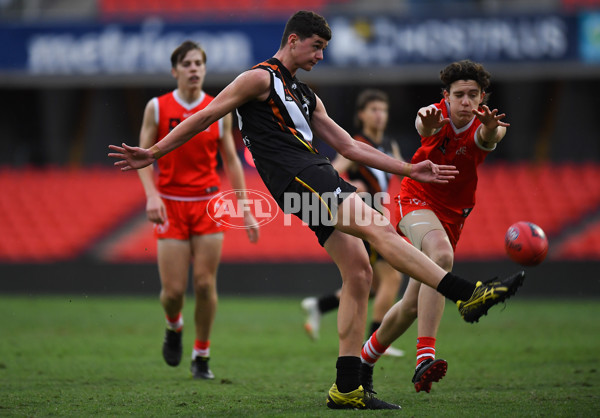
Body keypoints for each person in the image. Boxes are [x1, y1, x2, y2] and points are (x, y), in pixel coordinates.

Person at [109, 11, 525, 410]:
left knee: (360, 271)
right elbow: (206, 115)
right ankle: (467, 294)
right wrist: (156, 151)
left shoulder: (306, 95)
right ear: (293, 40)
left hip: (307, 180)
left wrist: (407, 167)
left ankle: (347, 389)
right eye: (317, 46)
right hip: (302, 175)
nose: (321, 55)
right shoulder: (258, 78)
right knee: (379, 228)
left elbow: (350, 147)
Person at [360, 60, 511, 394]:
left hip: (453, 216)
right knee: (441, 256)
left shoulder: (489, 124)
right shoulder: (434, 112)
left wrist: (488, 128)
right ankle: (424, 358)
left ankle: (363, 362)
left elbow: (489, 138)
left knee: (410, 307)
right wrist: (427, 126)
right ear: (446, 95)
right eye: (459, 95)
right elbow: (424, 125)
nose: (466, 102)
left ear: (483, 96)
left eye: (474, 94)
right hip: (414, 200)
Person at [136, 40, 259, 380]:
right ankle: (173, 325)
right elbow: (144, 156)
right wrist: (152, 195)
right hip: (171, 204)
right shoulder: (157, 108)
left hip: (207, 204)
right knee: (173, 292)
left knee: (205, 285)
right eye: (187, 64)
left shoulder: (219, 109)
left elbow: (231, 160)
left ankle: (201, 355)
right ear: (175, 71)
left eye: (199, 64)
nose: (194, 69)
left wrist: (245, 208)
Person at [301, 89, 406, 358]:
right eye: (373, 110)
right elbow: (332, 172)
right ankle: (375, 341)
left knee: (368, 285)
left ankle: (321, 305)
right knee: (392, 277)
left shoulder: (389, 147)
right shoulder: (355, 143)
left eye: (382, 110)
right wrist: (352, 186)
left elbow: (402, 173)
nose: (379, 115)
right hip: (363, 218)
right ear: (361, 115)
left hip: (380, 217)